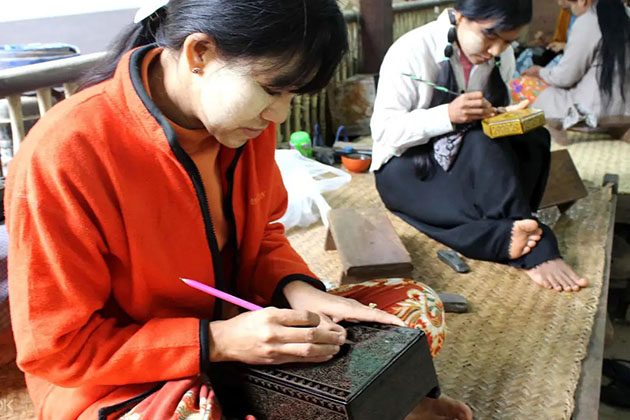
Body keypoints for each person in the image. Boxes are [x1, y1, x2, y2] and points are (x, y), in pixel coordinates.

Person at [5, 1, 473, 419]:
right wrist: (218, 342)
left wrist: (298, 290)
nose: (280, 116)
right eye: (273, 90)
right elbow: (59, 350)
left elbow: (264, 232)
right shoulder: (65, 154)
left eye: (293, 96)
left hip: (245, 322)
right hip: (129, 373)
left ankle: (365, 402)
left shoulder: (245, 126)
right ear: (200, 54)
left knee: (412, 309)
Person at [371, 0, 588, 293]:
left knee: (535, 139)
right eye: (489, 35)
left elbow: (495, 122)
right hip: (408, 167)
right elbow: (384, 131)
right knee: (478, 141)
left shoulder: (503, 55)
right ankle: (524, 239)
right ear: (460, 15)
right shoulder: (411, 51)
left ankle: (511, 228)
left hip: (466, 161)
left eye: (507, 41)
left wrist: (504, 117)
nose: (497, 50)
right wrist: (447, 116)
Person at [521, 0, 630, 118]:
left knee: (520, 86)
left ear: (583, 1)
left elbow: (565, 77)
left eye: (571, 6)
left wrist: (540, 72)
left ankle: (551, 135)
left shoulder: (589, 21)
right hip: (623, 110)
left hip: (591, 111)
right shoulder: (625, 15)